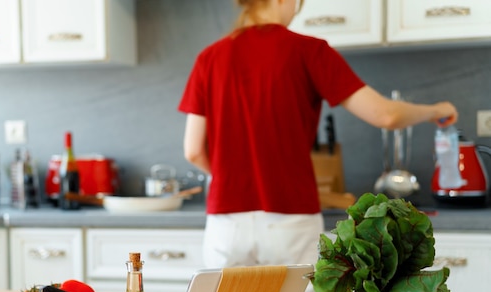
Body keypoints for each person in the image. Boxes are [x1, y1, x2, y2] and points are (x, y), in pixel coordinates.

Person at [178, 0, 458, 270]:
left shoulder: (209, 58)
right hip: (291, 222)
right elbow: (386, 115)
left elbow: (193, 150)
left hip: (226, 225)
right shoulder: (308, 50)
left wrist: (233, 177)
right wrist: (436, 109)